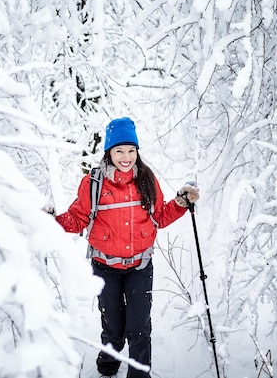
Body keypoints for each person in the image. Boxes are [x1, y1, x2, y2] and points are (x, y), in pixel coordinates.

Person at [54, 117, 199, 378]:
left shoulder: (146, 180)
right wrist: (51, 220)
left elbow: (159, 218)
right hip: (105, 267)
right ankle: (108, 367)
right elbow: (77, 219)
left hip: (140, 267)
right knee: (113, 326)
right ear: (109, 152)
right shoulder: (94, 183)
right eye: (119, 150)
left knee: (139, 328)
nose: (126, 156)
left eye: (131, 150)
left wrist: (181, 202)